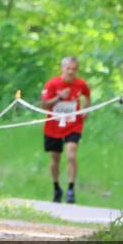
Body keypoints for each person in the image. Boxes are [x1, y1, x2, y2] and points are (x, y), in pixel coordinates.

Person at [41, 56, 91, 204]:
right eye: (68, 68)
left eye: (74, 69)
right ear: (62, 68)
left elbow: (87, 97)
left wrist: (86, 110)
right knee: (55, 158)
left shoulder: (81, 84)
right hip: (54, 126)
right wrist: (59, 97)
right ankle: (57, 188)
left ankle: (71, 189)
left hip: (73, 124)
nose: (71, 72)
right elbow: (44, 105)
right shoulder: (52, 84)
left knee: (71, 154)